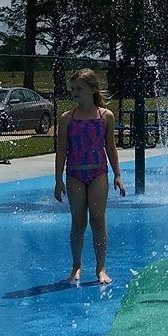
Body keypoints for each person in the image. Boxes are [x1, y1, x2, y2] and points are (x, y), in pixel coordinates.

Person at [54, 69, 125, 285]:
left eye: (79, 88)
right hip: (75, 174)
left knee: (98, 220)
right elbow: (62, 150)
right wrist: (58, 180)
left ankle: (101, 268)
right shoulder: (67, 118)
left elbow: (110, 147)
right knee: (78, 222)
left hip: (98, 173)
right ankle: (76, 266)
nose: (75, 92)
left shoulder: (105, 116)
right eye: (73, 88)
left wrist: (118, 174)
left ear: (92, 89)